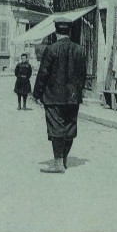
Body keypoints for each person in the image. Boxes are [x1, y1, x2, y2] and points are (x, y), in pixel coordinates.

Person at [32, 20, 88, 173]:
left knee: (56, 128)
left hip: (54, 96)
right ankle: (63, 159)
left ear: (56, 32)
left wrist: (36, 94)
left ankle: (58, 163)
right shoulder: (79, 49)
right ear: (69, 32)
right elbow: (83, 75)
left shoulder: (51, 49)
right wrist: (78, 92)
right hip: (73, 96)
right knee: (70, 127)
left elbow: (43, 73)